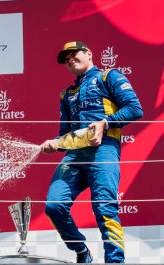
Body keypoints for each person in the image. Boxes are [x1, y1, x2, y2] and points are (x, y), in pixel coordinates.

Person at [40, 41, 143, 263]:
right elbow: (65, 133)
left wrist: (105, 123)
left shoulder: (109, 76)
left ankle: (115, 262)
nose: (69, 59)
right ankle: (81, 250)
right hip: (74, 155)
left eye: (73, 54)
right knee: (54, 206)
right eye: (65, 58)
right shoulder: (66, 94)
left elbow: (135, 109)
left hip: (104, 149)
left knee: (105, 209)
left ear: (89, 54)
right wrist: (55, 143)